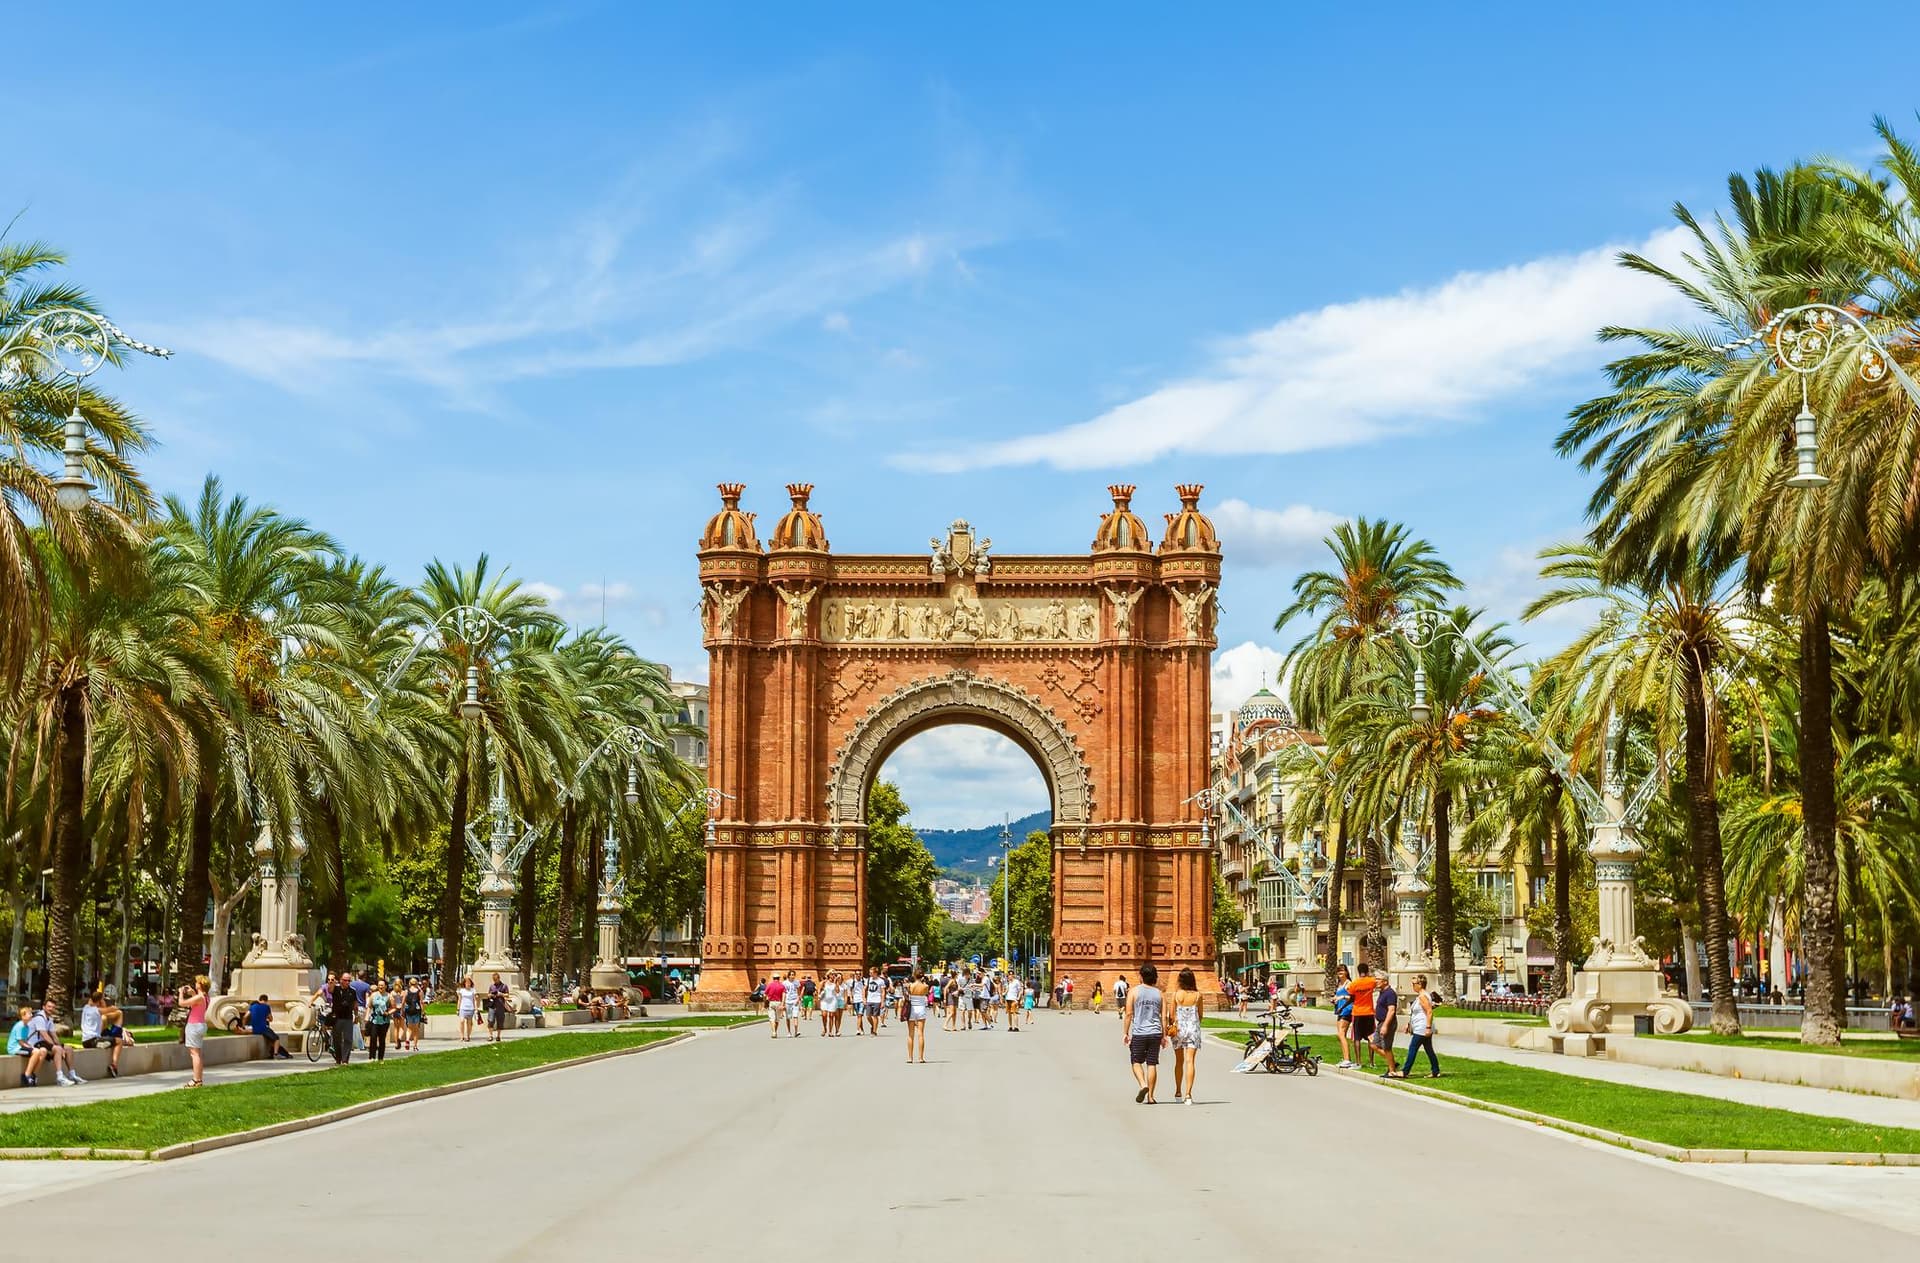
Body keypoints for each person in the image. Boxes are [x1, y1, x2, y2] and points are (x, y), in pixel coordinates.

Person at [1123, 963, 1167, 1104]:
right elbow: (1163, 1016)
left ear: (1141, 976)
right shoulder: (1160, 994)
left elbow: (1129, 1013)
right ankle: (1151, 1097)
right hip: (1155, 1033)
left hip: (1140, 1033)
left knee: (1136, 1061)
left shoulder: (1134, 992)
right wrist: (1164, 1035)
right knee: (1152, 1063)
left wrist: (1125, 1032)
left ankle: (1143, 1085)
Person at [1388, 974, 1440, 1078]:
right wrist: (1409, 1025)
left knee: (1413, 1048)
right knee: (1429, 1049)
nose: (1413, 986)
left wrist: (1428, 1028)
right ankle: (1435, 1070)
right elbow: (1417, 1013)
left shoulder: (1422, 996)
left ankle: (1405, 1071)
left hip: (1422, 1027)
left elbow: (1429, 1012)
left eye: (1414, 984)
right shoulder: (1421, 996)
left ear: (1420, 984)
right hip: (1420, 1027)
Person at [1167, 967, 1205, 1105]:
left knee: (1179, 1061)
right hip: (1193, 1029)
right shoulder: (1198, 995)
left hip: (1179, 1029)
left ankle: (1178, 1091)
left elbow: (1171, 1015)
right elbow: (1200, 1015)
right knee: (1190, 1062)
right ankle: (1188, 1095)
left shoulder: (1176, 995)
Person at [81, 991, 136, 1077]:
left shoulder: (86, 1008)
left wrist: (97, 999)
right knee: (119, 1041)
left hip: (85, 1040)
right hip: (93, 1040)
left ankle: (110, 1040)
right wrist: (102, 1002)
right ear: (99, 1001)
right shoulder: (98, 1010)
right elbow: (113, 1008)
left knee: (113, 1039)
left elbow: (92, 1002)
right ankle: (114, 1065)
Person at [1348, 963, 1381, 1069]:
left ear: (1358, 971)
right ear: (1367, 971)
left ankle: (1358, 1062)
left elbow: (1352, 997)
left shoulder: (1354, 983)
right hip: (1369, 1012)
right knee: (1371, 1037)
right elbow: (1377, 984)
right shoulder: (1371, 981)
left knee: (1356, 1038)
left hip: (1357, 1013)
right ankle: (1372, 1062)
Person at [180, 975, 212, 1086]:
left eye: (197, 982)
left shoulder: (199, 997)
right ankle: (198, 1079)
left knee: (194, 1054)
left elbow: (182, 1003)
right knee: (197, 1053)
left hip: (194, 1026)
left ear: (200, 985)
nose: (195, 983)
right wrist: (193, 993)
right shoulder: (205, 997)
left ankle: (196, 1079)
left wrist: (180, 993)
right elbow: (197, 1005)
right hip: (201, 1025)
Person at [9, 1006, 48, 1087]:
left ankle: (34, 1075)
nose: (31, 1015)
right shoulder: (20, 1026)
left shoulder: (27, 1026)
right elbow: (21, 1042)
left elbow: (25, 1041)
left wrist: (31, 1047)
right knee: (36, 1052)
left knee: (43, 1051)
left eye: (31, 1013)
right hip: (16, 1048)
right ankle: (27, 1075)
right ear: (23, 1016)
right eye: (29, 1014)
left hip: (22, 1046)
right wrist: (32, 1048)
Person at [247, 994, 291, 1059]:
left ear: (259, 999)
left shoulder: (253, 1007)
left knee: (270, 1039)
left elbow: (245, 1016)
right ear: (266, 1000)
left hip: (253, 1029)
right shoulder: (266, 1007)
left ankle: (274, 1053)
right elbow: (271, 1019)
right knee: (276, 1038)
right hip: (263, 1028)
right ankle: (276, 1054)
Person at [328, 971, 358, 1065]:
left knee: (348, 1039)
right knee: (337, 1040)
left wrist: (356, 1015)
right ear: (341, 980)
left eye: (349, 981)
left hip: (348, 1018)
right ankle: (338, 1058)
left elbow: (355, 1004)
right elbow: (330, 990)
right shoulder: (336, 989)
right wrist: (331, 981)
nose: (347, 982)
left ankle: (345, 1060)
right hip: (337, 1018)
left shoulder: (352, 991)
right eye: (345, 980)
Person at [904, 971, 931, 1064]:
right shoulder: (925, 986)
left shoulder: (910, 986)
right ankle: (920, 1057)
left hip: (912, 1008)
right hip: (921, 1008)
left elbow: (907, 995)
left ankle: (910, 1057)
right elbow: (926, 994)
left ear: (914, 976)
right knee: (921, 1034)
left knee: (910, 1034)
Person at [1331, 965, 1355, 1068]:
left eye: (1342, 971)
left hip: (1347, 1009)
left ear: (1346, 972)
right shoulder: (1339, 984)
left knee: (1341, 1034)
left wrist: (1343, 997)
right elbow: (1338, 995)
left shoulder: (1348, 984)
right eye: (1338, 971)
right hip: (1339, 1010)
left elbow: (1353, 997)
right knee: (1340, 1035)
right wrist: (1335, 999)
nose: (1340, 972)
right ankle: (1345, 1057)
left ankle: (1347, 1059)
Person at [1373, 976, 1399, 1067]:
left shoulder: (1390, 993)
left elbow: (1391, 1010)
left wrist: (1385, 1025)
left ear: (1385, 981)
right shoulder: (1382, 992)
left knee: (1387, 1048)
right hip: (1380, 1022)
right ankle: (1392, 1062)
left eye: (1378, 979)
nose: (1376, 981)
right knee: (1374, 1045)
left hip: (1387, 1022)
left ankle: (1392, 1070)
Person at [366, 981, 391, 1061]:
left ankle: (380, 1058)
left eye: (382, 985)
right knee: (373, 1037)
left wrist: (388, 1012)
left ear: (385, 986)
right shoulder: (373, 995)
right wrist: (367, 1016)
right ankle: (372, 1057)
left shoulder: (389, 996)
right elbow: (369, 1006)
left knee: (382, 1039)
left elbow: (393, 1007)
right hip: (374, 1020)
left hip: (384, 1021)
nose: (380, 987)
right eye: (379, 985)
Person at [486, 973, 510, 1043]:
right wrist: (490, 995)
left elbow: (507, 994)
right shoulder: (492, 986)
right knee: (491, 1020)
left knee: (500, 1021)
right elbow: (488, 994)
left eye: (496, 980)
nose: (495, 981)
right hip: (492, 1006)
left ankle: (498, 1036)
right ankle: (490, 1036)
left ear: (499, 978)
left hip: (500, 1006)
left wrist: (501, 994)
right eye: (494, 980)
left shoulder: (504, 986)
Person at [456, 976, 477, 1043]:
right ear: (464, 983)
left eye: (469, 982)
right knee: (462, 1021)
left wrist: (476, 1008)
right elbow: (459, 1000)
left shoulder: (473, 990)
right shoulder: (462, 990)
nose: (468, 984)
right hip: (463, 1008)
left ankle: (468, 1036)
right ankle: (462, 1036)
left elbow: (475, 1000)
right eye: (467, 982)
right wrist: (458, 1009)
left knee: (469, 1023)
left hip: (470, 1008)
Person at [764, 973, 786, 1039]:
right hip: (779, 1003)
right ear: (779, 978)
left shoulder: (770, 985)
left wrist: (765, 1002)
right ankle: (775, 1031)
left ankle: (773, 1032)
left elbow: (765, 994)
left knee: (772, 1019)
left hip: (771, 1002)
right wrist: (783, 1003)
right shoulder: (782, 986)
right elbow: (784, 995)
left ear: (773, 978)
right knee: (777, 1019)